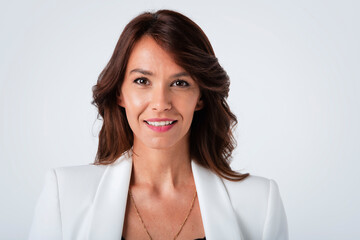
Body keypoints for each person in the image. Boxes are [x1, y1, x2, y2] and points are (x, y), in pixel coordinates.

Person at [29, 9, 288, 240]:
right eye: (142, 81)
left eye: (180, 83)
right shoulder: (63, 195)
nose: (161, 103)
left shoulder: (260, 203)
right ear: (120, 93)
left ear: (200, 98)